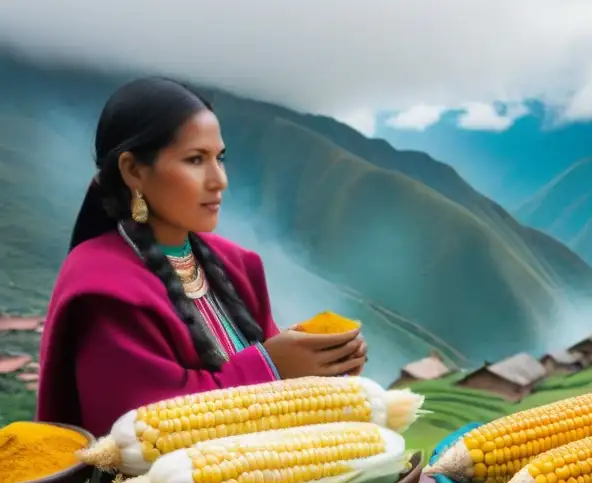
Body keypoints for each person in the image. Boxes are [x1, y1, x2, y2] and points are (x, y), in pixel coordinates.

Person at [36, 77, 368, 437]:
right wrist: (272, 367)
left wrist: (323, 363)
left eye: (219, 158)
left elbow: (274, 365)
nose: (219, 180)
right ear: (133, 171)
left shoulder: (237, 264)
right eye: (195, 160)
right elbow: (140, 429)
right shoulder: (103, 287)